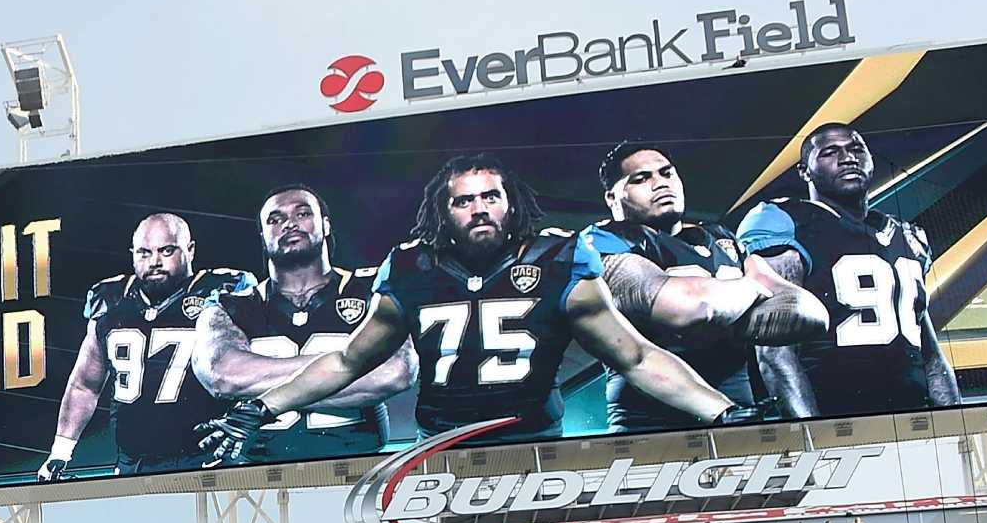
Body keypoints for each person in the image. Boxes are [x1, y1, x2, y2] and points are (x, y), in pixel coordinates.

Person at [195, 154, 754, 464]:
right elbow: (348, 361)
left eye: (491, 196)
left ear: (512, 205)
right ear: (444, 212)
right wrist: (262, 409)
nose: (479, 209)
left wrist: (721, 410)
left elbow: (633, 356)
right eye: (463, 200)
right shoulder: (412, 268)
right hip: (439, 447)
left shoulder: (559, 257)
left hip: (534, 443)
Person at [583, 141, 826, 428]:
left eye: (667, 173)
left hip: (741, 417)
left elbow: (809, 310)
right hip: (649, 427)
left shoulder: (720, 238)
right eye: (641, 178)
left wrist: (711, 314)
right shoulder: (600, 242)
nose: (660, 184)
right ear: (612, 198)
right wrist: (748, 289)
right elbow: (690, 308)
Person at [738, 123, 960, 417]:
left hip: (913, 416)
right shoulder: (788, 222)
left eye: (856, 149)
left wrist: (954, 421)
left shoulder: (905, 236)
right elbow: (775, 355)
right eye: (830, 152)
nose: (848, 158)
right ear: (805, 171)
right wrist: (813, 435)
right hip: (836, 417)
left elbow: (928, 350)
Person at [191, 186, 416, 464]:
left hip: (357, 465)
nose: (289, 223)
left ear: (326, 224)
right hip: (258, 470)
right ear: (263, 237)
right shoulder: (230, 305)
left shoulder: (370, 291)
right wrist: (344, 369)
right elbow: (223, 378)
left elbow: (395, 372)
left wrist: (262, 387)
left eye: (303, 213)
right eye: (275, 219)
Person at [37, 213, 251, 479]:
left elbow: (250, 368)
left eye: (166, 250)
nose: (155, 262)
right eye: (144, 253)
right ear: (132, 253)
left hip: (207, 459)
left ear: (190, 249)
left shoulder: (221, 291)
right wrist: (60, 452)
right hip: (133, 465)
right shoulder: (111, 299)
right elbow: (85, 384)